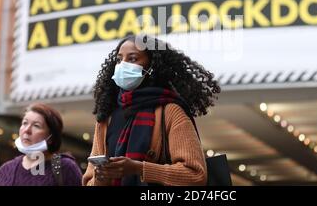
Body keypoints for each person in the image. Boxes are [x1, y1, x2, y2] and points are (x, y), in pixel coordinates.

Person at [83, 34, 221, 186]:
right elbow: (88, 180)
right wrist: (101, 177)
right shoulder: (107, 116)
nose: (123, 65)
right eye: (119, 59)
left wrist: (139, 168)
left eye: (133, 58)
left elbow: (195, 175)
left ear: (152, 66)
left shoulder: (171, 111)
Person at [0, 103, 82, 186]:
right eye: (25, 123)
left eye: (36, 125)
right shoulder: (6, 170)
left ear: (51, 137)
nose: (27, 130)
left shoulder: (66, 167)